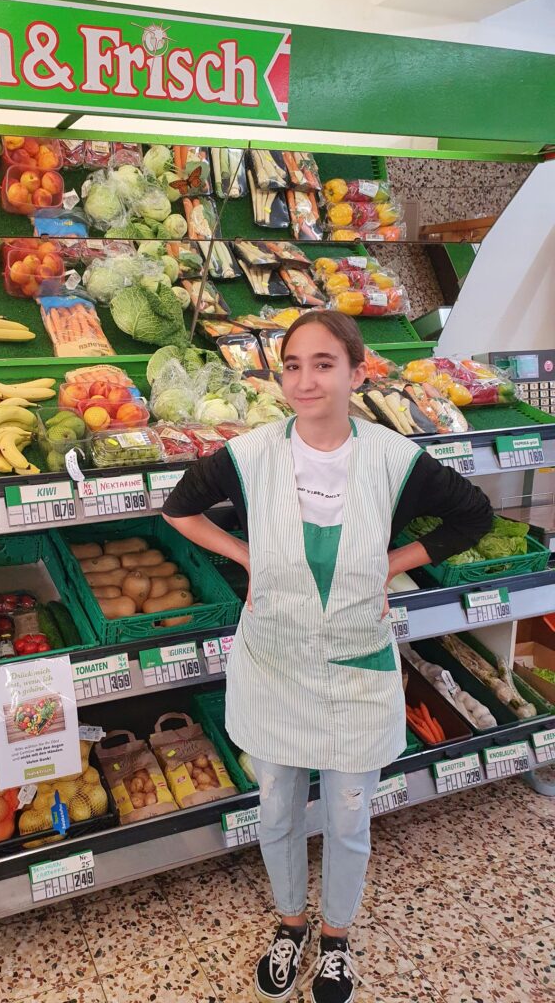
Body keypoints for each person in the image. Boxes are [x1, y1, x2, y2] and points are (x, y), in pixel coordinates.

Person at [162, 310, 493, 1003]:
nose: (305, 380)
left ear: (356, 372)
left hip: (355, 667)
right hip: (274, 662)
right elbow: (180, 509)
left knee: (347, 819)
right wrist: (245, 555)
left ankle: (336, 938)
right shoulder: (250, 454)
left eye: (322, 364)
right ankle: (290, 924)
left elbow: (473, 515)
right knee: (277, 811)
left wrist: (392, 563)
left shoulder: (394, 458)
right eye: (292, 366)